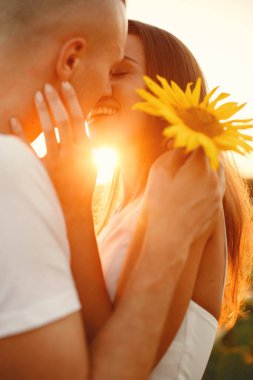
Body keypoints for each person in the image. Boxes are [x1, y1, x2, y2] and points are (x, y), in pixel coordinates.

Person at [0, 1, 226, 378]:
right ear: (70, 58)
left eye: (119, 71)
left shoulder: (189, 203)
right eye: (107, 69)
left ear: (170, 94)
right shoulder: (117, 211)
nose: (103, 88)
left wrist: (73, 209)